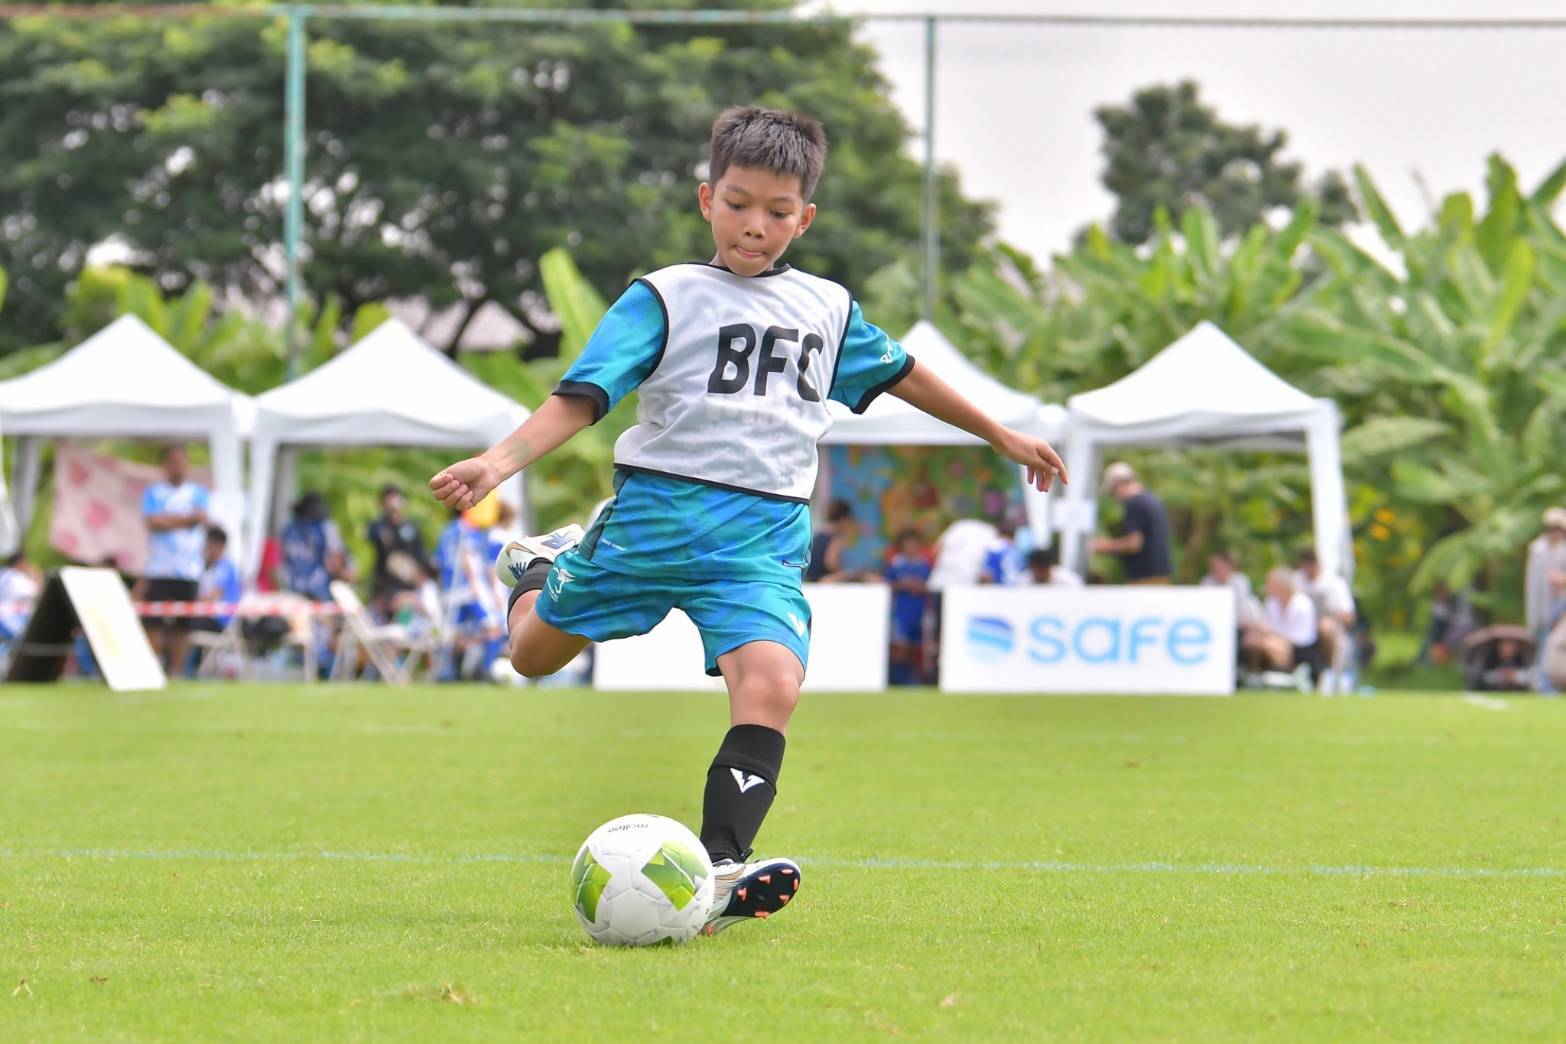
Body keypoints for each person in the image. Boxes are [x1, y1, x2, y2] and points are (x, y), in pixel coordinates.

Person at [428, 105, 1066, 937]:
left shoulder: (827, 308)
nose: (754, 226)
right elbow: (581, 399)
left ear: (805, 218)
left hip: (762, 539)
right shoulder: (665, 296)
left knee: (773, 685)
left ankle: (723, 864)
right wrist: (496, 464)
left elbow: (905, 374)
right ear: (707, 199)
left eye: (776, 211)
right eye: (736, 204)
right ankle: (541, 569)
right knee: (532, 657)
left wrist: (1001, 434)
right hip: (656, 520)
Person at [139, 443, 210, 674]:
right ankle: (153, 668)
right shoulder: (154, 492)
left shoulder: (197, 492)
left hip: (188, 570)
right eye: (173, 462)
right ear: (165, 465)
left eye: (181, 461)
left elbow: (200, 518)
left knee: (183, 624)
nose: (177, 466)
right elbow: (152, 522)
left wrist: (168, 520)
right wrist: (186, 520)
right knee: (154, 621)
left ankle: (176, 672)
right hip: (159, 569)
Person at [1092, 461, 1171, 584]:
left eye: (1113, 492)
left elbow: (1134, 543)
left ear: (1119, 485)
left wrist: (1102, 546)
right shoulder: (1151, 499)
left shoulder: (1133, 503)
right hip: (1161, 574)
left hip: (1145, 577)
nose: (1115, 497)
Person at [1241, 566, 1318, 676]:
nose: (1267, 586)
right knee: (1251, 640)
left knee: (1269, 645)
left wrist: (1272, 634)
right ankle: (1254, 673)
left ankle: (1283, 673)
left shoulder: (1302, 604)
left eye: (1270, 583)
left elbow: (1302, 637)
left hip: (1300, 647)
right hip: (1277, 640)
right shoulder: (1271, 603)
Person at [366, 483, 429, 617]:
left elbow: (421, 554)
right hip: (388, 586)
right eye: (389, 499)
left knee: (414, 612)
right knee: (400, 611)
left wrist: (422, 575)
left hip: (411, 583)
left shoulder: (411, 526)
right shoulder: (379, 526)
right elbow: (372, 535)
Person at [280, 492, 351, 602]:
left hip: (291, 588)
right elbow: (335, 557)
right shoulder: (326, 527)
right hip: (318, 590)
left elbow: (280, 558)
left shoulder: (289, 528)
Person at [1525, 507, 1566, 694]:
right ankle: (1543, 685)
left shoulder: (1563, 550)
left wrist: (1560, 580)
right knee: (1542, 646)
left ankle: (1550, 684)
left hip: (1560, 606)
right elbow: (1533, 585)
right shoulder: (1538, 550)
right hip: (1542, 607)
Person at [884, 529, 932, 686]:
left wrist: (919, 586)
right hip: (901, 611)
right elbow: (887, 584)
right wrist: (903, 584)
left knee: (916, 647)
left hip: (919, 610)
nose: (911, 546)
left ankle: (914, 679)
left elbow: (931, 585)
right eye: (908, 543)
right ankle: (898, 680)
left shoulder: (924, 564)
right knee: (900, 647)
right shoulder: (896, 563)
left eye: (914, 543)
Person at [806, 499, 870, 583]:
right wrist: (844, 573)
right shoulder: (836, 536)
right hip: (823, 581)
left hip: (810, 579)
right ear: (844, 519)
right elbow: (831, 562)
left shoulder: (819, 534)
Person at [0, 551, 41, 661]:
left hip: (6, 617)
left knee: (8, 645)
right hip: (11, 618)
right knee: (17, 644)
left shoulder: (4, 574)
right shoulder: (16, 577)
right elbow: (35, 592)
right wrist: (36, 576)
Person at [1201, 549, 1260, 627]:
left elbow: (1242, 605)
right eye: (1212, 566)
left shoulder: (1240, 580)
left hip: (1240, 622)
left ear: (1227, 565)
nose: (1214, 569)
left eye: (1217, 565)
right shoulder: (1207, 581)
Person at [980, 516, 1027, 586]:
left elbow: (985, 576)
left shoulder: (993, 550)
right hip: (1015, 590)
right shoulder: (1018, 552)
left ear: (998, 534)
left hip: (998, 590)